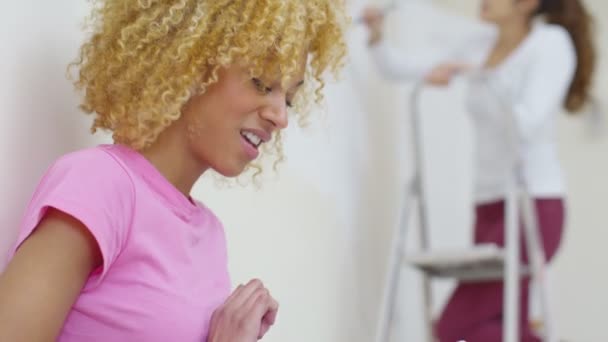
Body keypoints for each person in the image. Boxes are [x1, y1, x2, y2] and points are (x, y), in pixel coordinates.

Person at [0, 1, 347, 341]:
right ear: (193, 64)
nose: (280, 117)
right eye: (262, 82)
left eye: (287, 98)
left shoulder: (210, 236)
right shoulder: (100, 185)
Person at [362, 0, 595, 341]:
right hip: (486, 205)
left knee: (455, 325)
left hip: (534, 204)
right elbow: (399, 69)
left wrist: (484, 76)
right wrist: (377, 38)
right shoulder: (479, 45)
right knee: (499, 326)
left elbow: (527, 124)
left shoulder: (550, 44)